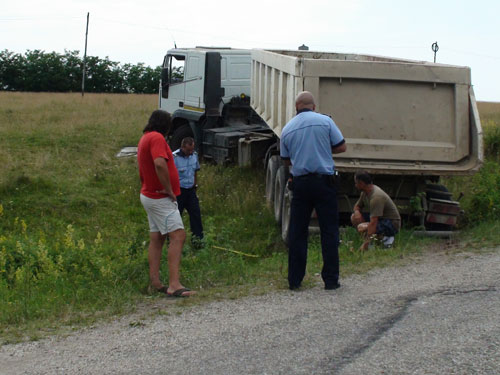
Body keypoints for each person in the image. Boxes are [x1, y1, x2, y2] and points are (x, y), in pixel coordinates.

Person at [280, 91, 346, 290]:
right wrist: (323, 148)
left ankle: (295, 280)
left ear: (296, 108)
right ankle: (331, 280)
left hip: (301, 184)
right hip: (324, 183)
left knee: (297, 232)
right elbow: (341, 147)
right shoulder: (325, 122)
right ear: (314, 106)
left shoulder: (287, 129)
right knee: (329, 231)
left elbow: (286, 159)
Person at [137, 110, 195, 297]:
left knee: (157, 238)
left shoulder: (145, 137)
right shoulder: (157, 139)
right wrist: (169, 190)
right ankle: (174, 284)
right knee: (178, 235)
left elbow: (143, 167)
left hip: (149, 194)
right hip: (160, 198)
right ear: (166, 125)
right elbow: (160, 163)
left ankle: (155, 282)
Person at [351, 171, 401, 251]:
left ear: (361, 183)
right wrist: (357, 212)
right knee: (354, 217)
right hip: (380, 219)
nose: (355, 185)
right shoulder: (365, 193)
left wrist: (365, 244)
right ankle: (373, 241)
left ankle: (380, 241)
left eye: (356, 183)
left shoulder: (376, 197)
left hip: (391, 223)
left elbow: (373, 222)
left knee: (362, 227)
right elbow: (357, 206)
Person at [173, 137, 204, 245]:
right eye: (188, 150)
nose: (190, 152)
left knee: (196, 214)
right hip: (179, 191)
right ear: (182, 147)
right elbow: (169, 175)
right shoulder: (174, 157)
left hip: (190, 190)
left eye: (192, 150)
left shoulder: (194, 156)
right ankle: (172, 241)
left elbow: (195, 171)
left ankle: (198, 240)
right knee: (176, 217)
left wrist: (195, 184)